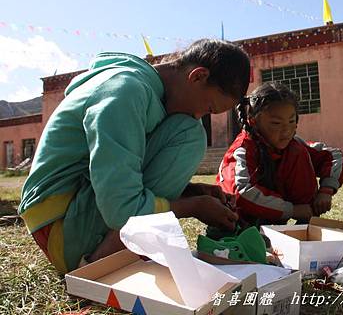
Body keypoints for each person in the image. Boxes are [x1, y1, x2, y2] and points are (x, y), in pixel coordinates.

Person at [18, 39, 250, 274]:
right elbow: (122, 210)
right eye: (208, 108)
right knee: (189, 134)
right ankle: (97, 263)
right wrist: (192, 207)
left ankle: (111, 252)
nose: (199, 116)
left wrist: (190, 191)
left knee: (186, 130)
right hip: (61, 229)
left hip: (73, 211)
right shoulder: (126, 91)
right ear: (198, 76)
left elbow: (117, 171)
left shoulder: (141, 88)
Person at [214, 82, 343, 231]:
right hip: (238, 222)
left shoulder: (294, 145)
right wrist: (292, 210)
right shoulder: (242, 150)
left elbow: (333, 155)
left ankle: (305, 223)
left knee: (299, 152)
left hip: (278, 218)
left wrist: (326, 190)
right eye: (276, 123)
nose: (286, 131)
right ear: (253, 121)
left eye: (291, 121)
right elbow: (242, 193)